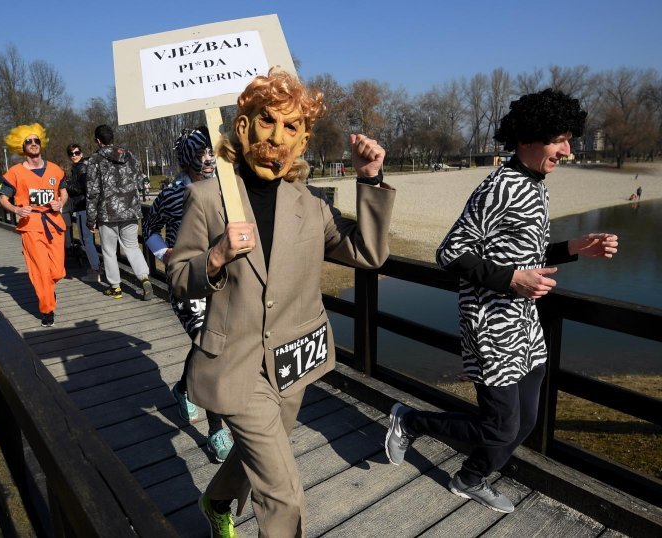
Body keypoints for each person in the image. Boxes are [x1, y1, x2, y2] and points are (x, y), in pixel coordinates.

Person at [168, 68, 395, 537]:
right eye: (266, 120)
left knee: (259, 453)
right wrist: (215, 256)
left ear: (304, 140)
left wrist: (369, 179)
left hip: (293, 362)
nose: (277, 137)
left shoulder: (309, 203)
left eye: (291, 127)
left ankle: (216, 501)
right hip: (236, 362)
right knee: (282, 489)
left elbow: (366, 252)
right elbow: (176, 277)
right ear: (244, 125)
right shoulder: (209, 198)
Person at [385, 89, 619, 514]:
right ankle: (410, 420)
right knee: (500, 425)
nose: (567, 150)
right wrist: (511, 280)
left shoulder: (537, 185)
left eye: (569, 139)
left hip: (525, 324)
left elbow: (523, 251)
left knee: (525, 421)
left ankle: (469, 479)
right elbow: (450, 251)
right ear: (529, 137)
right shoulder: (501, 185)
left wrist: (573, 248)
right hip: (491, 326)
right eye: (559, 140)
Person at [143, 126, 233, 463]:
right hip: (187, 283)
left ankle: (183, 387)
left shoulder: (226, 190)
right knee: (208, 347)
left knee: (210, 346)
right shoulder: (170, 195)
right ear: (187, 159)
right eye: (200, 155)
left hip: (220, 280)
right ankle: (216, 430)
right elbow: (149, 228)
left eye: (211, 153)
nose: (208, 160)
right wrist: (164, 252)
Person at [0, 123, 68, 328]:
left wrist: (60, 203)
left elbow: (63, 192)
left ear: (41, 143)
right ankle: (47, 309)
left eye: (36, 140)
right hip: (31, 226)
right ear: (22, 146)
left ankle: (49, 288)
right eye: (28, 141)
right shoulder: (15, 172)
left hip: (54, 223)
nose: (33, 143)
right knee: (40, 270)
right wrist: (17, 210)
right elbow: (3, 199)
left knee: (57, 271)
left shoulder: (55, 168)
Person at [86, 124, 152, 301]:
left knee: (108, 251)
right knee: (132, 247)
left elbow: (92, 192)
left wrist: (90, 219)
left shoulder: (95, 160)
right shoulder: (128, 155)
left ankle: (115, 287)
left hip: (107, 213)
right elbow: (139, 180)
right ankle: (144, 278)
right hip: (130, 210)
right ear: (112, 138)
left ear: (98, 141)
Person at [65, 143, 101, 282]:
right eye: (71, 153)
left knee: (86, 241)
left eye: (76, 152)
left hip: (83, 207)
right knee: (87, 240)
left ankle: (96, 270)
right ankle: (96, 267)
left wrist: (67, 185)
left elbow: (83, 188)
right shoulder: (82, 166)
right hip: (87, 207)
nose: (74, 155)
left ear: (81, 152)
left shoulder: (82, 167)